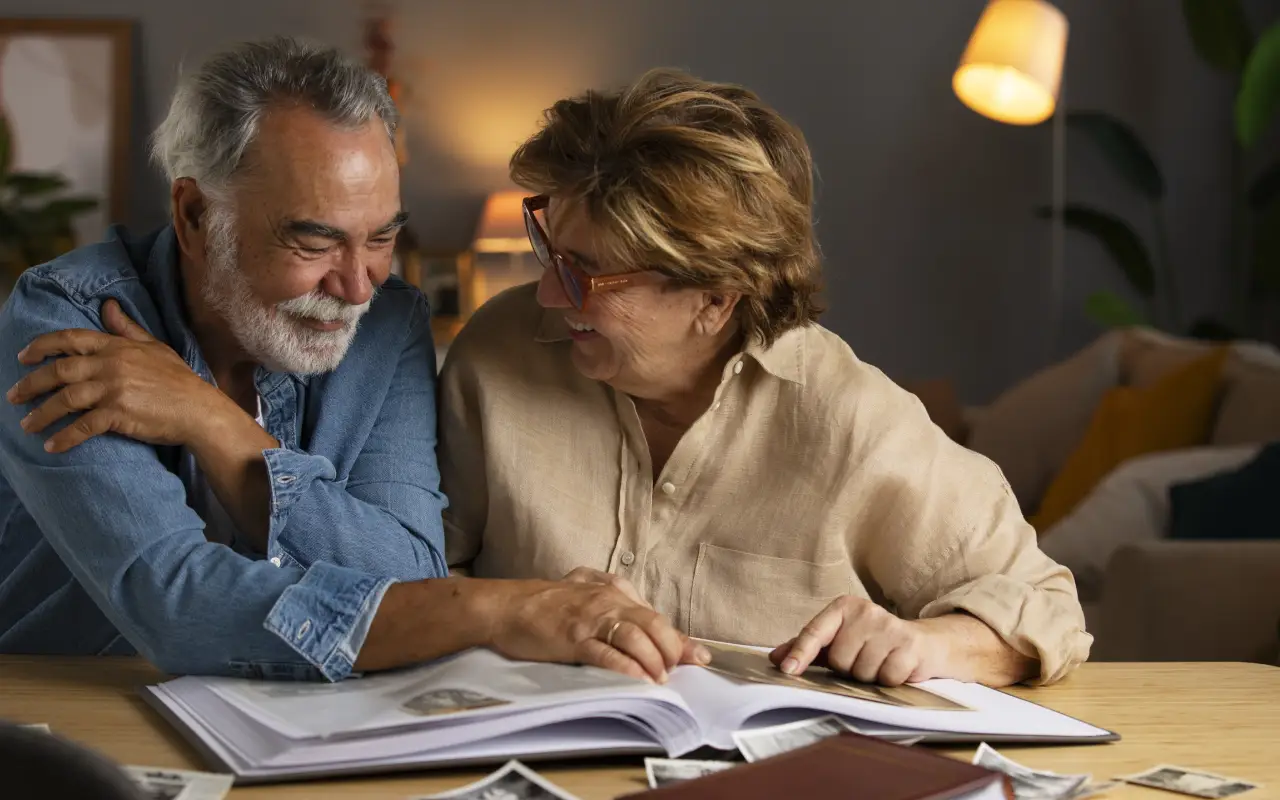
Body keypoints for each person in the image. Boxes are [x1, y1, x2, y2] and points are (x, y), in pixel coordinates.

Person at [0, 38, 700, 684]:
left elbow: (404, 567)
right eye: (314, 243)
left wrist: (210, 420)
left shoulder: (388, 322)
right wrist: (499, 611)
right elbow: (181, 607)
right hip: (73, 713)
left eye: (380, 238)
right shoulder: (68, 320)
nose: (357, 287)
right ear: (193, 216)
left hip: (299, 728)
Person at [439, 69, 1093, 687]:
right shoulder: (499, 354)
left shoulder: (850, 418)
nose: (549, 293)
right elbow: (405, 578)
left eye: (583, 273)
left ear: (716, 297)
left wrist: (929, 644)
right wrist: (512, 608)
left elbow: (1045, 605)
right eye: (549, 248)